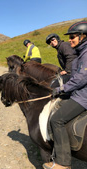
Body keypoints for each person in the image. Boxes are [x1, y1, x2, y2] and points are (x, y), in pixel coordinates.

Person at [43, 21, 87, 169]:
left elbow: (81, 78)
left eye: (73, 36)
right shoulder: (81, 52)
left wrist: (61, 89)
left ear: (83, 36)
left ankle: (63, 162)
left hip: (83, 96)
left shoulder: (86, 53)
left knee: (56, 119)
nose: (70, 39)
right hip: (79, 92)